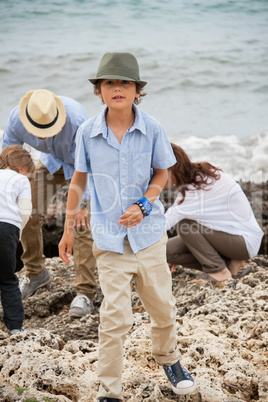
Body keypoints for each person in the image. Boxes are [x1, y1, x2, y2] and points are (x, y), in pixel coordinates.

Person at [59, 52, 197, 402]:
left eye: (125, 82)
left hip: (149, 236)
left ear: (138, 91)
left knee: (163, 308)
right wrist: (68, 229)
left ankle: (170, 360)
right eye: (109, 82)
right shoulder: (87, 133)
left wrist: (145, 203)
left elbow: (162, 173)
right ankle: (110, 391)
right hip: (108, 239)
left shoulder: (152, 128)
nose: (117, 87)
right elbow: (78, 179)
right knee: (114, 318)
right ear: (99, 91)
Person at [2, 89, 97, 317]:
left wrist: (84, 204)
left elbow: (91, 163)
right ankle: (36, 274)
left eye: (48, 130)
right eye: (38, 131)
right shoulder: (16, 120)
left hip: (82, 167)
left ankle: (85, 293)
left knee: (81, 224)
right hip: (52, 163)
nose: (42, 136)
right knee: (24, 213)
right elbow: (7, 160)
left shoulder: (77, 121)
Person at [165, 143, 264, 282]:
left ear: (169, 168)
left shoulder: (194, 189)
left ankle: (219, 272)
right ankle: (230, 264)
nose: (153, 175)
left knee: (184, 224)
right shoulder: (200, 175)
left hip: (243, 241)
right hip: (228, 237)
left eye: (156, 170)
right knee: (166, 251)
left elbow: (165, 223)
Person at [0, 145, 35, 335]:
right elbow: (25, 210)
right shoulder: (21, 180)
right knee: (7, 279)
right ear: (22, 167)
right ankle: (15, 328)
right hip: (7, 229)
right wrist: (18, 232)